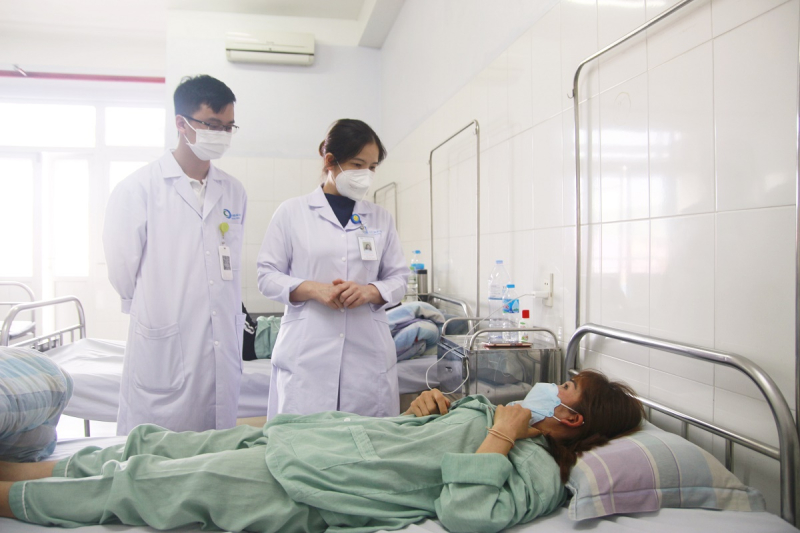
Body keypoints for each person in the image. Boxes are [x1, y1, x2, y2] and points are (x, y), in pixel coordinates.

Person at [0, 371, 643, 533]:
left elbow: (465, 514)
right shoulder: (493, 411)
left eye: (565, 386)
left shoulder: (537, 470)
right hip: (319, 440)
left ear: (572, 417)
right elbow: (418, 438)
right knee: (164, 444)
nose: (550, 387)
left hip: (326, 483)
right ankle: (36, 468)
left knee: (162, 481)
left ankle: (16, 498)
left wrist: (501, 436)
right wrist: (426, 410)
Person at [103, 75, 248, 434]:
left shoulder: (233, 191)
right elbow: (122, 270)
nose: (222, 134)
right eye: (212, 124)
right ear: (181, 124)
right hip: (163, 339)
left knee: (216, 451)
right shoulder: (138, 188)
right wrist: (156, 308)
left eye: (228, 126)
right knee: (157, 451)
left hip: (221, 342)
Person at [257, 119, 408, 419]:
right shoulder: (292, 213)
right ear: (330, 161)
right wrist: (314, 289)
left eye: (372, 167)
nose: (366, 175)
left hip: (367, 355)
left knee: (367, 440)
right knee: (306, 439)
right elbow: (266, 276)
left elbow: (399, 278)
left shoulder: (380, 217)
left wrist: (370, 291)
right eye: (357, 165)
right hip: (308, 352)